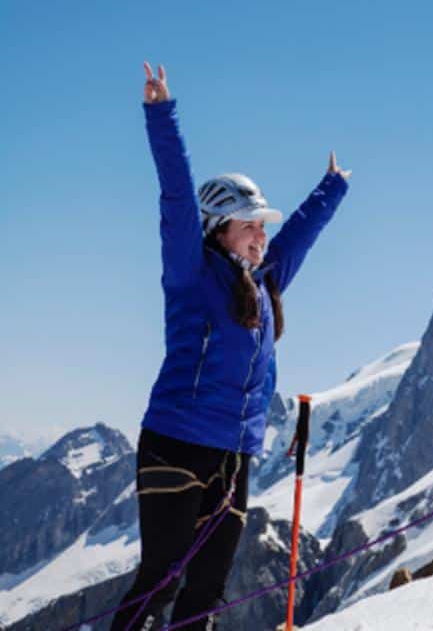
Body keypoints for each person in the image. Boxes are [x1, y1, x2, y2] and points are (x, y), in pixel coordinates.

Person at [111, 63, 351, 630]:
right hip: (176, 443)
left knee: (207, 593)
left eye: (262, 225)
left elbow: (298, 237)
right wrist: (161, 113)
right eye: (249, 224)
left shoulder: (263, 283)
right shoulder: (191, 274)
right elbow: (174, 194)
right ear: (218, 225)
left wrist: (332, 187)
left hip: (234, 455)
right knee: (162, 578)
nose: (261, 234)